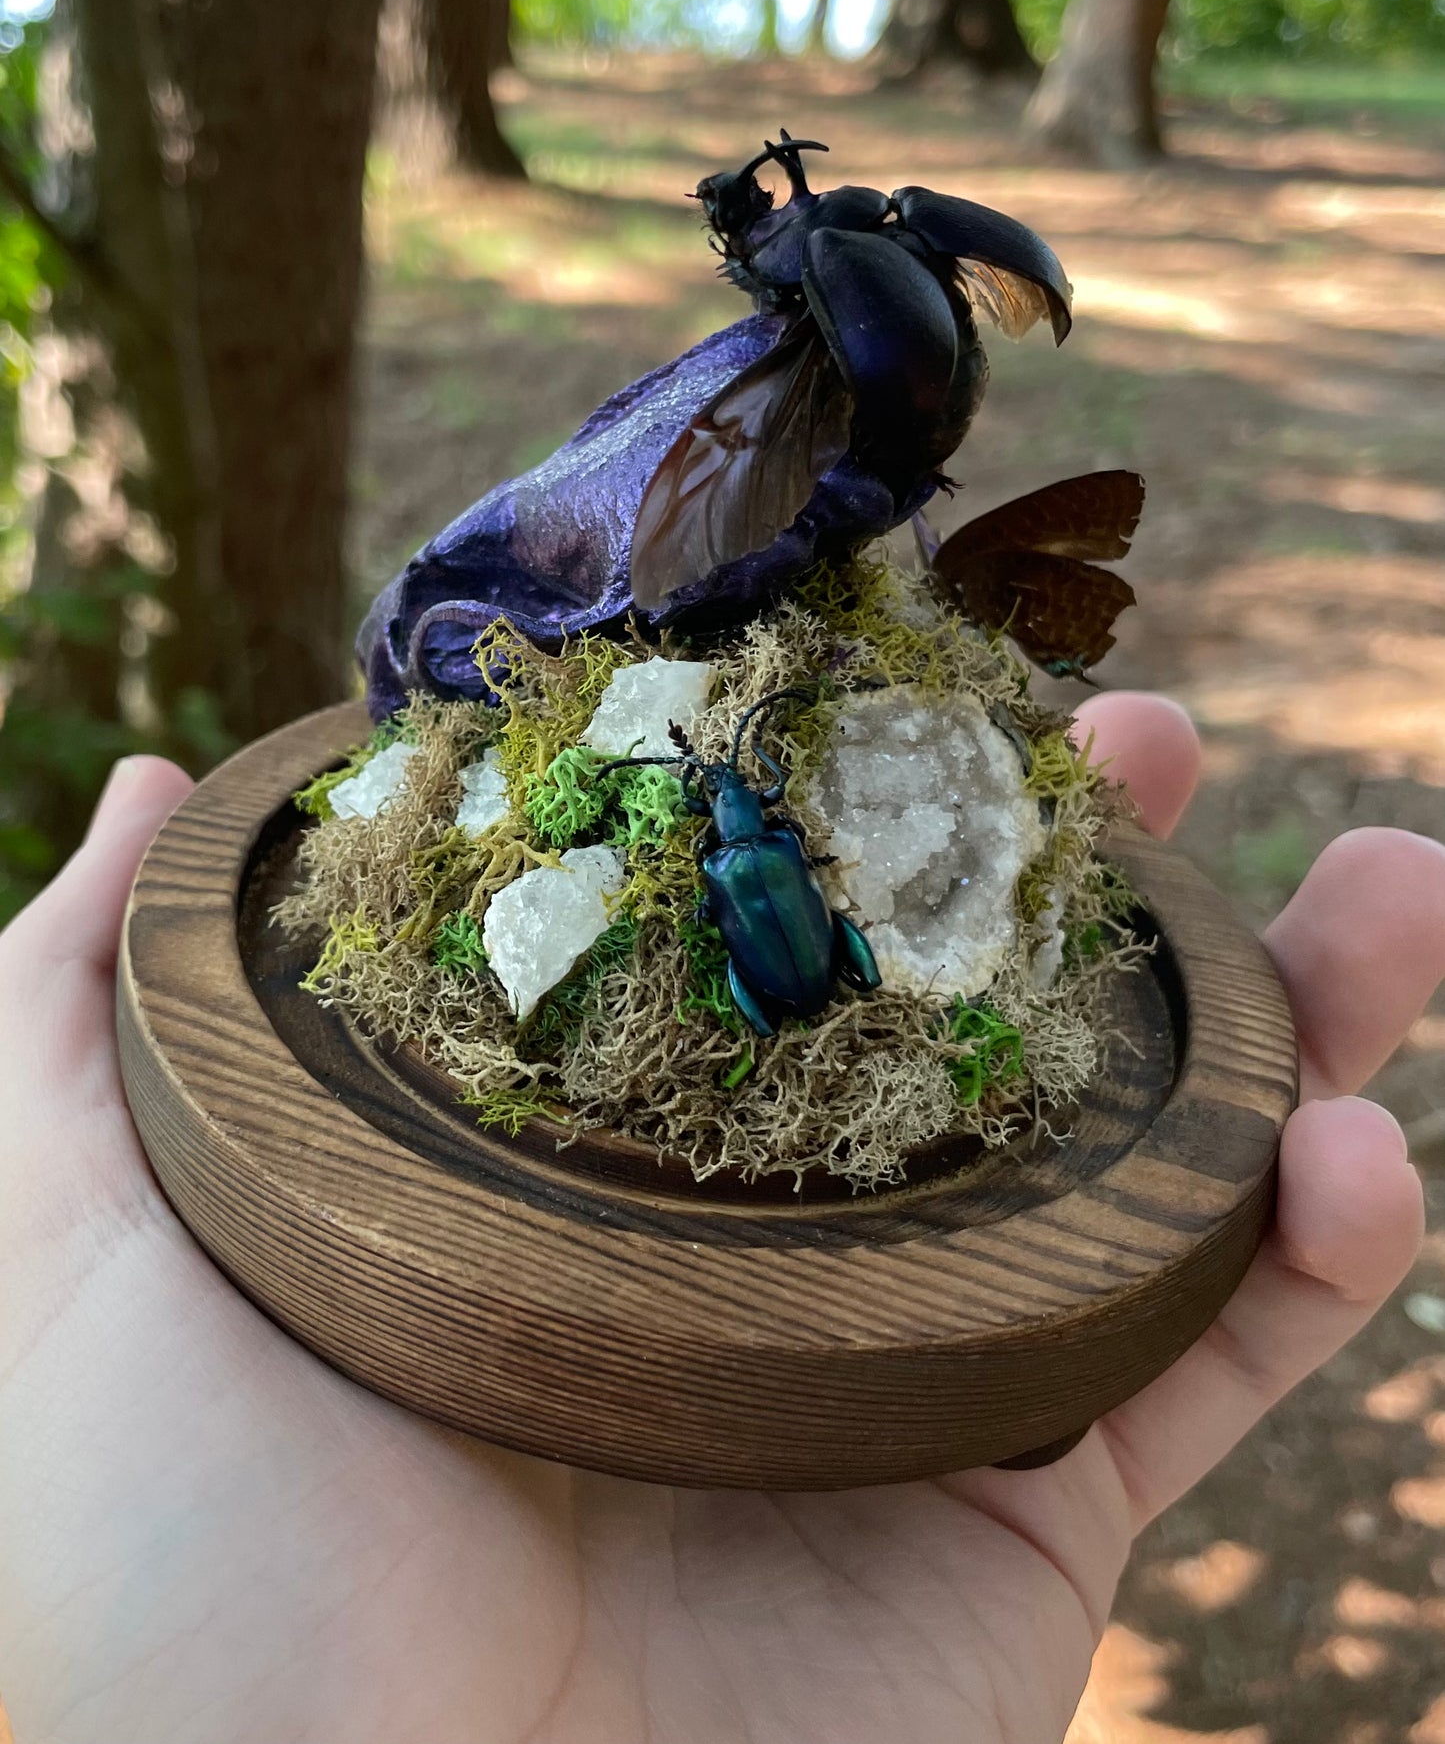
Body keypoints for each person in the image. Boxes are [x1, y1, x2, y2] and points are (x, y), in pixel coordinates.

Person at [0, 692, 1439, 1744]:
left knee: (768, 960)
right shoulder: (767, 858)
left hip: (780, 974)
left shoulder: (735, 859)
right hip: (796, 962)